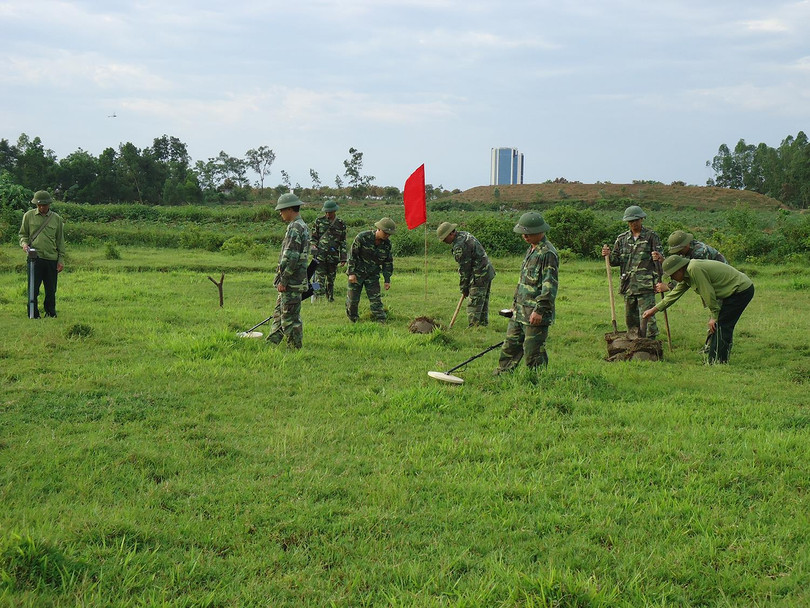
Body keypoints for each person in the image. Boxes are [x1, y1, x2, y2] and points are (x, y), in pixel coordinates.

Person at [642, 255, 754, 364]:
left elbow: (708, 293)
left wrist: (714, 316)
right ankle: (715, 360)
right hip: (732, 292)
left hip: (741, 290)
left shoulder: (694, 269)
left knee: (722, 325)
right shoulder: (687, 275)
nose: (672, 278)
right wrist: (653, 310)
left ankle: (718, 361)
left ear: (679, 269)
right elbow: (674, 294)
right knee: (720, 325)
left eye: (672, 275)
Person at [495, 212, 558, 374]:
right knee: (510, 346)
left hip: (535, 314)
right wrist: (514, 306)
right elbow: (523, 282)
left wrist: (540, 310)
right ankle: (501, 375)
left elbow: (549, 286)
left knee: (533, 352)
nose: (524, 236)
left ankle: (537, 380)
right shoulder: (531, 249)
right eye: (523, 233)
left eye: (528, 233)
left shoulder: (547, 253)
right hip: (520, 311)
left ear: (539, 231)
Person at [602, 205, 663, 338]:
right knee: (631, 318)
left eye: (636, 220)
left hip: (645, 284)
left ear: (642, 219)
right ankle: (634, 341)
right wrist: (608, 255)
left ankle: (651, 342)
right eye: (630, 221)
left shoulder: (651, 237)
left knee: (647, 316)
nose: (633, 223)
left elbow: (660, 260)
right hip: (628, 284)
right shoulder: (622, 239)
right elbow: (615, 261)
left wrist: (659, 260)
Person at [265, 193, 310, 349]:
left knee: (290, 317)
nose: (280, 213)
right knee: (279, 312)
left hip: (291, 281)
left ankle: (295, 348)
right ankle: (271, 343)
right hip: (293, 280)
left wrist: (283, 280)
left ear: (290, 209)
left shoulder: (295, 227)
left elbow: (291, 256)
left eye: (282, 210)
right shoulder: (301, 226)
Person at [436, 221, 496, 326]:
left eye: (445, 238)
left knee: (474, 304)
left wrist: (464, 288)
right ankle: (482, 326)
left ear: (451, 233)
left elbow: (465, 270)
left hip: (479, 275)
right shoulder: (464, 234)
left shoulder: (459, 246)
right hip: (486, 272)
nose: (444, 241)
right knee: (482, 303)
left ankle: (474, 327)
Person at [19, 190, 65, 318]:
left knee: (51, 289)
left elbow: (60, 241)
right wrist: (24, 244)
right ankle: (33, 313)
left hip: (51, 258)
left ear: (49, 204)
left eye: (44, 205)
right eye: (39, 205)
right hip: (34, 258)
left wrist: (61, 259)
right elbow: (23, 234)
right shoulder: (28, 216)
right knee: (33, 288)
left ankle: (50, 313)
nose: (41, 207)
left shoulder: (56, 219)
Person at [346, 218, 395, 323]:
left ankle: (381, 320)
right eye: (385, 233)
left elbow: (387, 262)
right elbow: (352, 255)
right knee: (352, 300)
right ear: (379, 229)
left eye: (389, 234)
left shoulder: (387, 245)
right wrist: (351, 273)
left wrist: (387, 279)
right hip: (357, 274)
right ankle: (354, 320)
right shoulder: (362, 237)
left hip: (373, 275)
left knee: (376, 300)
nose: (387, 236)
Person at [653, 230, 727, 292]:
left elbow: (686, 273)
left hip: (722, 282)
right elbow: (679, 266)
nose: (678, 253)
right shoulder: (687, 250)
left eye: (679, 250)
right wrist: (664, 261)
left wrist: (668, 286)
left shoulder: (699, 253)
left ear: (686, 245)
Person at [310, 200, 347, 302]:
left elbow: (343, 242)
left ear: (334, 211)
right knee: (318, 279)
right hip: (320, 256)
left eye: (329, 212)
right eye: (326, 212)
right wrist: (313, 246)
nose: (327, 214)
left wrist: (343, 257)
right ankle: (317, 296)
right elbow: (313, 237)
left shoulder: (341, 224)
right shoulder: (319, 221)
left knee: (331, 280)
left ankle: (330, 298)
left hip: (333, 257)